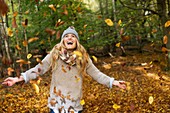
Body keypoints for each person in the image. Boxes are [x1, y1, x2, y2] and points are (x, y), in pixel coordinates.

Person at [2, 26, 126, 113]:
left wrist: (113, 82)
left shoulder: (83, 58)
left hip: (75, 106)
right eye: (66, 36)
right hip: (56, 105)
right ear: (63, 40)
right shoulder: (54, 55)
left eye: (73, 36)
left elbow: (97, 74)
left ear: (76, 41)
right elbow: (38, 69)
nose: (70, 38)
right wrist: (18, 79)